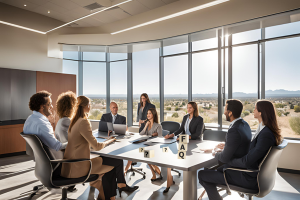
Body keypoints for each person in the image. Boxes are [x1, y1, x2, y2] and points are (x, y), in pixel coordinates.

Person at [61, 96, 138, 200]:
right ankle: (115, 192)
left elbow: (82, 143)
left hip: (70, 164)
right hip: (79, 166)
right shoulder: (83, 122)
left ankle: (109, 195)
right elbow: (96, 146)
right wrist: (108, 141)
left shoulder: (74, 121)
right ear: (85, 106)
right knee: (116, 162)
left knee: (111, 162)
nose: (90, 106)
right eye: (89, 104)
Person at [197, 99, 255, 200]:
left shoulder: (234, 130)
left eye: (225, 109)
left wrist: (214, 152)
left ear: (230, 112)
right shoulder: (244, 124)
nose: (224, 112)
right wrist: (227, 145)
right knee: (208, 170)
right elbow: (240, 144)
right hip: (242, 168)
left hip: (234, 172)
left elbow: (224, 158)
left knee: (202, 174)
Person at [163, 101, 204, 193]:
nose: (188, 109)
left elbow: (198, 134)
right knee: (172, 155)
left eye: (190, 108)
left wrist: (185, 137)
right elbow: (181, 129)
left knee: (187, 161)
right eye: (187, 107)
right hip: (184, 141)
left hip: (194, 142)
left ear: (194, 108)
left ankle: (189, 185)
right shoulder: (185, 117)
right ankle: (169, 180)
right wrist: (171, 135)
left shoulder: (199, 119)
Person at [140, 108, 163, 182]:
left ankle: (154, 172)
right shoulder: (147, 123)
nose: (148, 115)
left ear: (153, 114)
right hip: (147, 145)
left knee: (147, 155)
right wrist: (146, 125)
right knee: (145, 155)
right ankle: (154, 171)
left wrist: (155, 135)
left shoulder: (158, 126)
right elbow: (141, 134)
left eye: (150, 113)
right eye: (147, 113)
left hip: (155, 146)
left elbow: (160, 138)